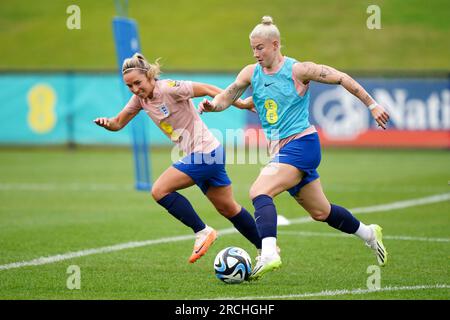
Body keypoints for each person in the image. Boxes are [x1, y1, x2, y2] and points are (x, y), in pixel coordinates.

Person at [198, 16, 390, 280]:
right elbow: (227, 97)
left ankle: (268, 254)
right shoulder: (250, 73)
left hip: (302, 144)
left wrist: (372, 105)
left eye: (260, 48)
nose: (255, 54)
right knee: (322, 212)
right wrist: (213, 105)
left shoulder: (299, 70)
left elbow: (341, 77)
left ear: (275, 44)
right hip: (282, 151)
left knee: (259, 191)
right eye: (252, 48)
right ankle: (369, 233)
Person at [94, 53, 261, 264]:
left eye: (138, 83)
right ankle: (266, 248)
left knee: (159, 190)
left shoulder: (169, 88)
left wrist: (243, 104)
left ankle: (202, 231)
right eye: (130, 86)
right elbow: (118, 123)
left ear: (150, 76)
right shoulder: (140, 99)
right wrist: (107, 123)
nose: (135, 89)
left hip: (206, 153)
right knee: (228, 208)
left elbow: (208, 89)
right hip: (206, 154)